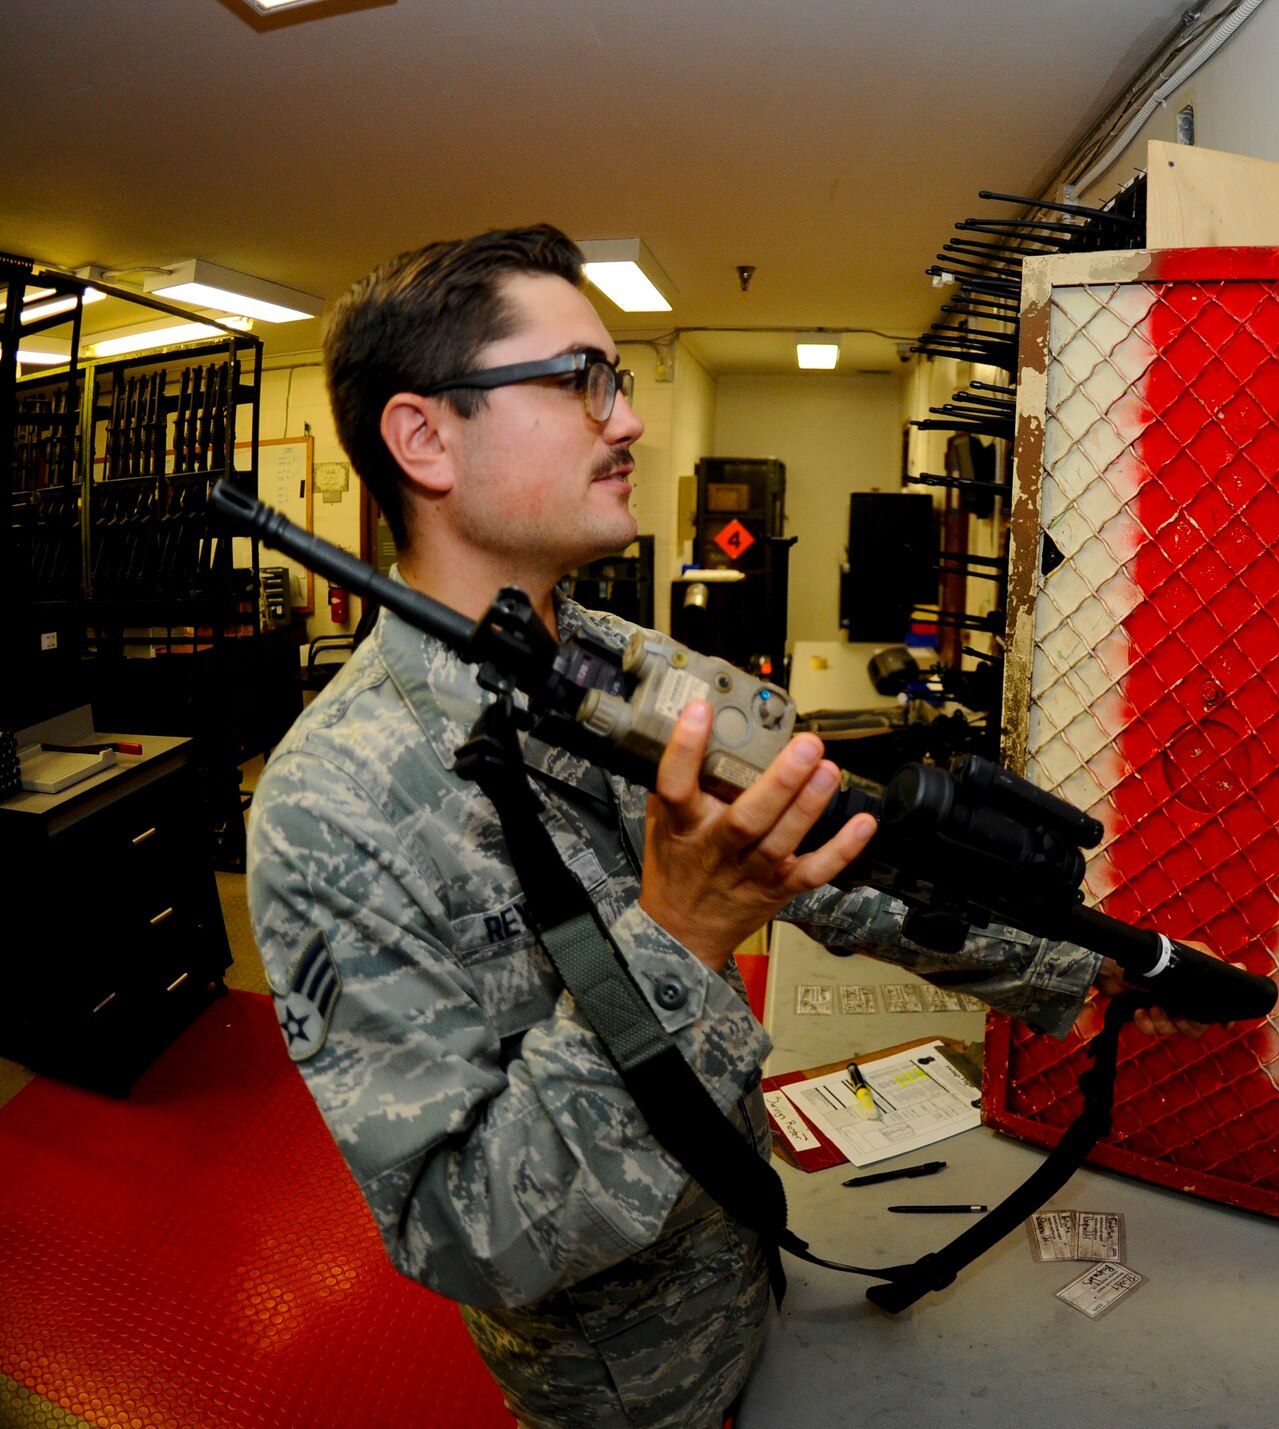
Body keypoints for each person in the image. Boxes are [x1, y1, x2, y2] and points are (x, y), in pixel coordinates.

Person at [247, 225, 1199, 1428]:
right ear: (423, 436)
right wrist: (679, 932)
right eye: (579, 380)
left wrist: (1093, 966)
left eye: (620, 381)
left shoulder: (630, 668)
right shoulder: (329, 804)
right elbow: (465, 1232)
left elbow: (833, 866)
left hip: (752, 1252)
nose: (626, 419)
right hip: (626, 1377)